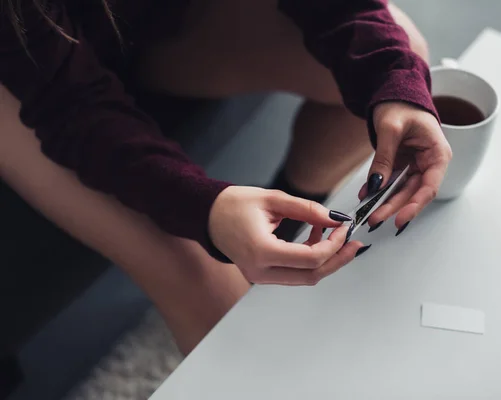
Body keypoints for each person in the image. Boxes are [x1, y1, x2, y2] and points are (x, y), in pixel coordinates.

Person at [0, 0, 452, 354]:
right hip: (22, 72)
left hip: (136, 23)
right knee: (202, 279)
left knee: (400, 56)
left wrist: (394, 79)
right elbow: (71, 106)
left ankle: (288, 228)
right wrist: (205, 207)